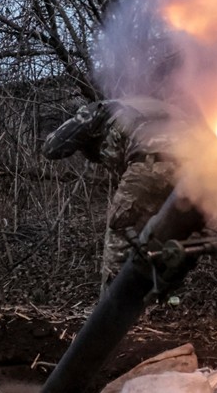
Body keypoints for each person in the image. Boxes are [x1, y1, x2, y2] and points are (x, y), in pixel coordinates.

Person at [42, 96, 177, 296]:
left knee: (121, 232)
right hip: (205, 166)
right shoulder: (161, 106)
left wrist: (79, 130)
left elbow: (51, 148)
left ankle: (111, 317)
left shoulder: (100, 109)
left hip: (151, 164)